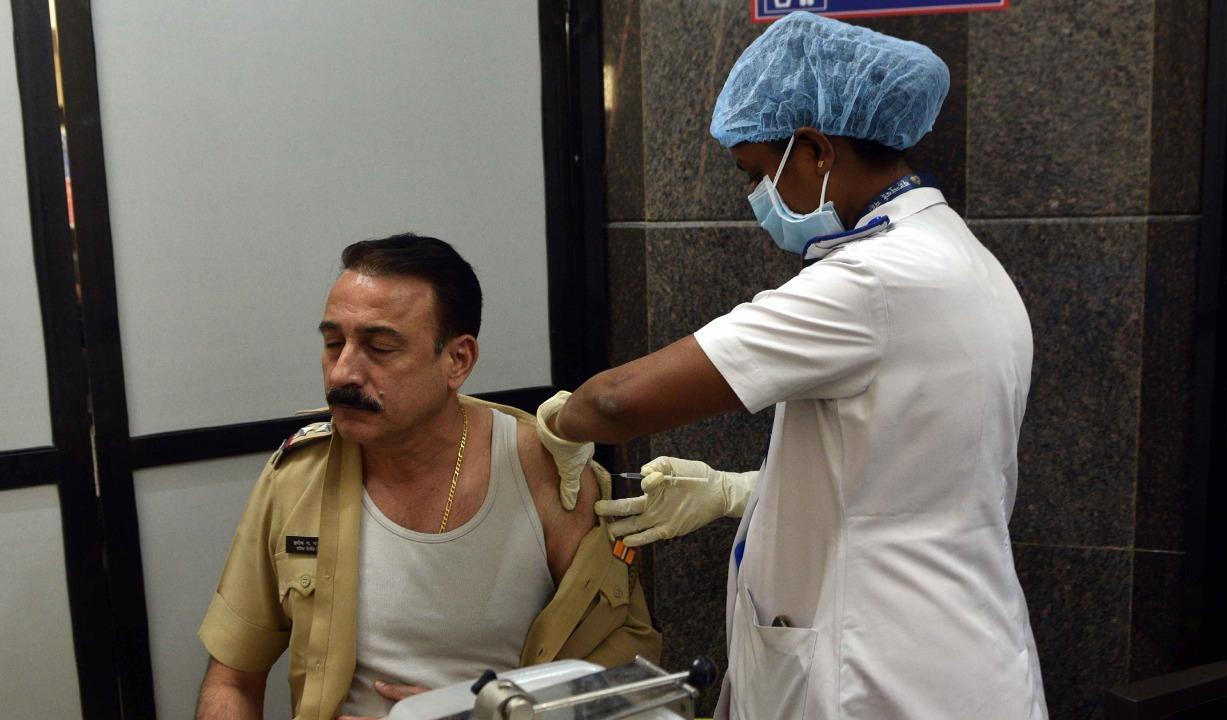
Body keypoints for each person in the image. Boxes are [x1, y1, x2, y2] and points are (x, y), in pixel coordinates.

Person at [535, 12, 1046, 720]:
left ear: (814, 148)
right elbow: (909, 469)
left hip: (883, 672)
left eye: (755, 173)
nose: (757, 202)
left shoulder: (873, 281)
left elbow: (621, 402)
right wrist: (739, 491)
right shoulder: (958, 257)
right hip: (954, 642)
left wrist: (559, 426)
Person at [195, 234, 659, 720]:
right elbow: (231, 679)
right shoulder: (297, 476)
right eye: (334, 344)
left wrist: (472, 713)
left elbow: (630, 679)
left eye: (378, 347)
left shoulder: (545, 471)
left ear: (457, 360)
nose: (343, 373)